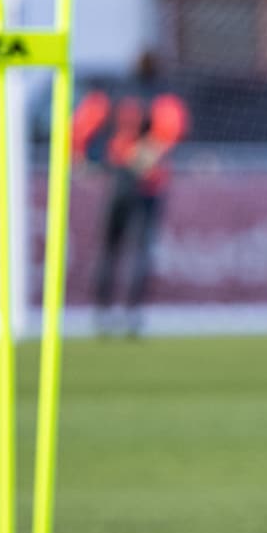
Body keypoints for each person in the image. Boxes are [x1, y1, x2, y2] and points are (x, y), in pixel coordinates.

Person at [72, 51, 189, 335]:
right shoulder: (160, 96)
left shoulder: (114, 93)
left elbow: (79, 126)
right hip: (146, 183)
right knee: (138, 249)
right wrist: (145, 154)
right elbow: (171, 129)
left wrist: (80, 160)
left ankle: (103, 314)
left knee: (111, 248)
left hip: (119, 179)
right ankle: (130, 314)